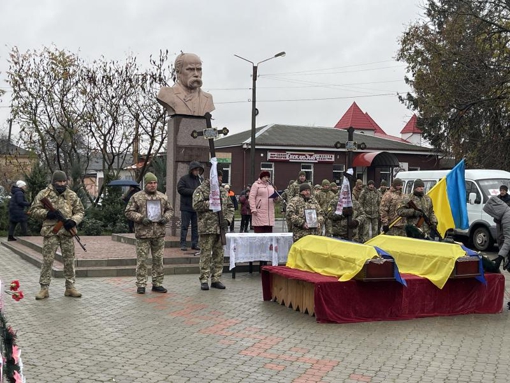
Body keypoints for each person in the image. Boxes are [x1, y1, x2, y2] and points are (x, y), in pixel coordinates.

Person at [29, 170, 85, 300]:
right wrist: (47, 214)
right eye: (59, 181)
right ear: (54, 182)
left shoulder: (71, 195)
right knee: (48, 261)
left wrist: (73, 221)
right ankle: (44, 288)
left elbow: (80, 211)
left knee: (69, 260)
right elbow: (33, 210)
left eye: (64, 181)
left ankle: (70, 287)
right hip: (51, 232)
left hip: (66, 233)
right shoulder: (44, 194)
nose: (62, 183)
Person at [125, 172, 174, 294]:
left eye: (154, 183)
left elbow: (170, 210)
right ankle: (141, 284)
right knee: (142, 260)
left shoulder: (162, 197)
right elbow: (128, 212)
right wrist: (141, 218)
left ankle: (157, 283)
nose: (152, 185)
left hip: (158, 233)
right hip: (143, 234)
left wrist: (165, 218)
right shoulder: (137, 197)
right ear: (145, 184)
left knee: (158, 260)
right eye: (150, 183)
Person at [192, 170, 234, 290]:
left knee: (219, 255)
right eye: (217, 178)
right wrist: (212, 203)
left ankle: (216, 279)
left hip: (220, 228)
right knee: (205, 255)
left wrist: (227, 220)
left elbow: (230, 207)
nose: (220, 180)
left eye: (221, 178)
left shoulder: (223, 191)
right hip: (207, 227)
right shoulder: (201, 190)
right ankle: (204, 279)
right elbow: (196, 205)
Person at [177, 161, 204, 251]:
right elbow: (180, 189)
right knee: (185, 226)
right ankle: (183, 244)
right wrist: (194, 192)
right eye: (195, 170)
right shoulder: (184, 179)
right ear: (191, 170)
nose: (197, 172)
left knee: (195, 227)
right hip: (186, 206)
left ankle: (194, 243)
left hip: (196, 207)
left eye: (199, 170)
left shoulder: (200, 180)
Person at [483, 196, 510, 270]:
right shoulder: (503, 215)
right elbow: (500, 237)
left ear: (495, 211)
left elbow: (508, 240)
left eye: (491, 213)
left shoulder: (507, 217)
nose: (492, 216)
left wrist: (500, 258)